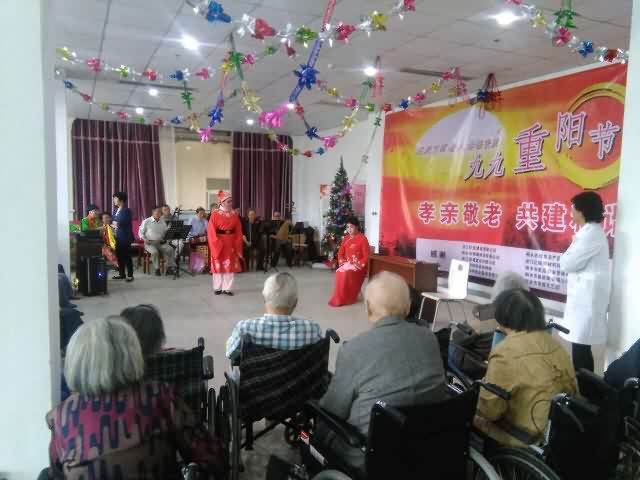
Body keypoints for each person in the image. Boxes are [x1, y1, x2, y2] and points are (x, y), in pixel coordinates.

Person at [43, 316, 226, 479]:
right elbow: (213, 457)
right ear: (132, 355)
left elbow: (57, 473)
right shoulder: (159, 396)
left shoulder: (62, 415)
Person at [317, 272, 447, 474]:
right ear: (407, 308)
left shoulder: (354, 350)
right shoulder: (429, 338)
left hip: (369, 456)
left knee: (321, 424)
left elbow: (334, 409)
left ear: (368, 309)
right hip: (426, 444)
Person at [475, 289, 577, 447]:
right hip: (561, 430)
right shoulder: (556, 345)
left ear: (502, 315)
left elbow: (490, 411)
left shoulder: (505, 352)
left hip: (526, 437)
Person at [560, 191, 611, 373]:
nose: (570, 213)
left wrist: (566, 258)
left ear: (582, 211)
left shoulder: (591, 235)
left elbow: (568, 264)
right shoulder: (588, 232)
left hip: (587, 300)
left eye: (572, 209)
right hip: (584, 298)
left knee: (581, 347)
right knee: (579, 345)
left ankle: (587, 386)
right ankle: (584, 384)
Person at [225, 272, 323, 361]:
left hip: (257, 375)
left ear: (264, 299)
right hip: (299, 375)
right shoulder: (312, 330)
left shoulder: (245, 328)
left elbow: (230, 354)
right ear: (295, 303)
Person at [328, 217, 371, 307]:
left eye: (351, 227)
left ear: (357, 227)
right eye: (347, 227)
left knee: (346, 273)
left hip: (358, 267)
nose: (349, 229)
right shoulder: (346, 238)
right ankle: (341, 297)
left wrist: (356, 265)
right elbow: (340, 253)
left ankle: (349, 298)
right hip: (347, 264)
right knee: (339, 272)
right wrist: (343, 262)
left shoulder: (363, 239)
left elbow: (367, 256)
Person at [207, 190, 243, 296]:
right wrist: (216, 243)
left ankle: (227, 288)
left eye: (231, 201)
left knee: (229, 266)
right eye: (228, 201)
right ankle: (217, 287)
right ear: (222, 202)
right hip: (219, 242)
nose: (231, 203)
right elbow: (211, 230)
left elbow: (238, 230)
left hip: (231, 243)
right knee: (218, 265)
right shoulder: (215, 214)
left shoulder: (234, 214)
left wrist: (237, 242)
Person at [139, 205, 176, 276]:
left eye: (160, 212)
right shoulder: (146, 221)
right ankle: (157, 269)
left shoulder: (162, 221)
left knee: (170, 249)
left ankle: (169, 268)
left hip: (160, 242)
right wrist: (145, 239)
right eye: (157, 212)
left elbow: (165, 231)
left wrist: (170, 230)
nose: (159, 214)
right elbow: (141, 233)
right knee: (155, 252)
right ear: (153, 212)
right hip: (150, 242)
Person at [112, 191, 134, 282]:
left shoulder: (126, 210)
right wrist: (114, 223)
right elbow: (112, 222)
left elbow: (120, 223)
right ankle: (122, 274)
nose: (114, 200)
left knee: (126, 256)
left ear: (121, 200)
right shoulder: (115, 210)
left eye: (115, 198)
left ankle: (130, 275)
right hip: (117, 237)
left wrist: (115, 223)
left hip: (125, 237)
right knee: (119, 256)